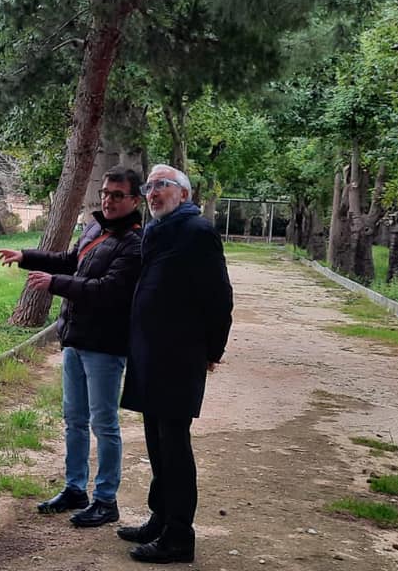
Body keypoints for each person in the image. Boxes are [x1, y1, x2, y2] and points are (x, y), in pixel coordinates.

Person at [0, 166, 144, 528]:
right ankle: (75, 488)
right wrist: (26, 256)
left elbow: (108, 290)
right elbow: (70, 261)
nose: (108, 200)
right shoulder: (96, 227)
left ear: (135, 200)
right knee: (73, 420)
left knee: (104, 424)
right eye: (106, 193)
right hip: (75, 339)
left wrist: (55, 284)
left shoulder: (135, 244)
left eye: (117, 195)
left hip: (105, 347)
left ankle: (106, 500)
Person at [116, 164, 233, 564]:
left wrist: (212, 352)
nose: (153, 193)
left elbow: (219, 298)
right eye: (149, 187)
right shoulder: (156, 230)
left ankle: (179, 535)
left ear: (183, 194)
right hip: (150, 353)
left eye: (163, 186)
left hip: (179, 356)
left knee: (174, 447)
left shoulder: (197, 232)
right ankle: (160, 518)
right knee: (156, 442)